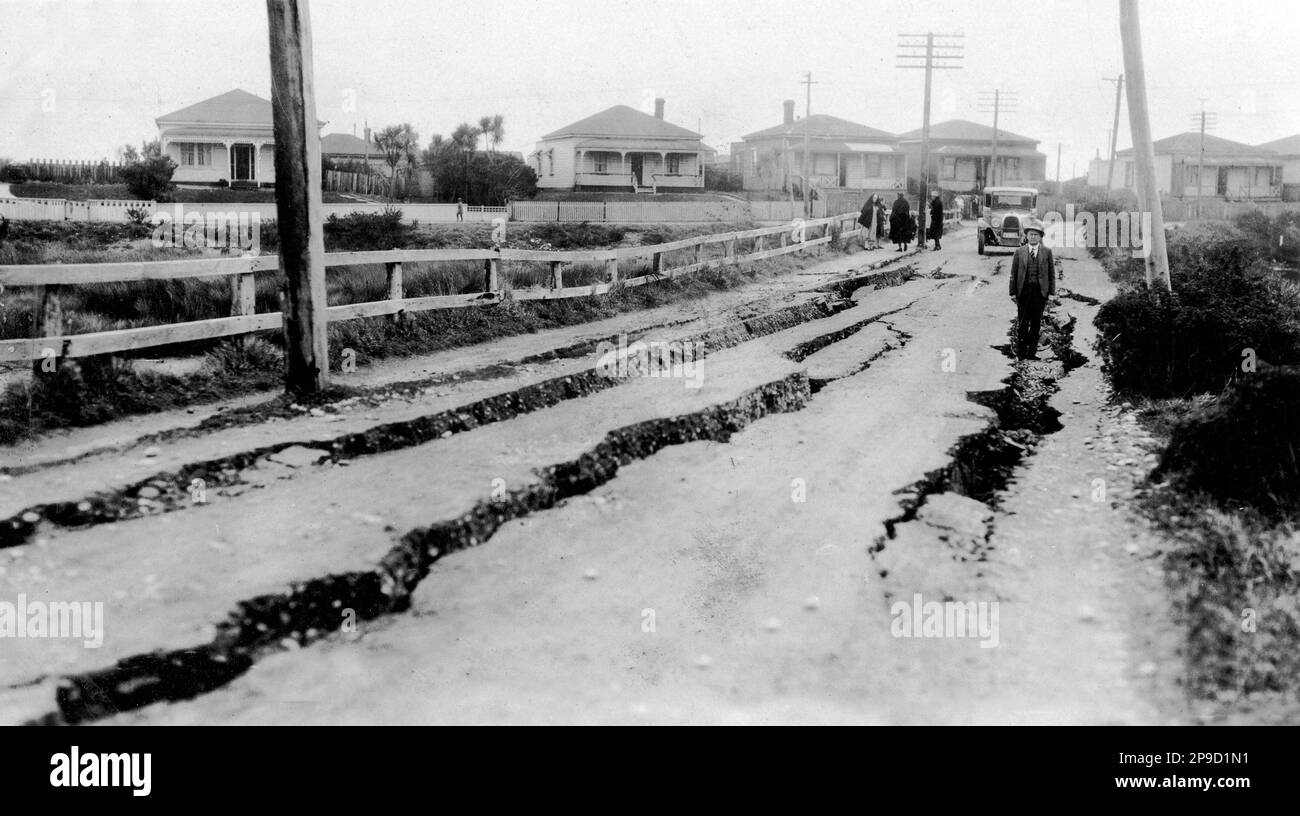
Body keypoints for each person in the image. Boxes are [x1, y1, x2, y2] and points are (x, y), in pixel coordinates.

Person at [1009, 218, 1055, 360]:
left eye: (1036, 235)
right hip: (1023, 292)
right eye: (1031, 234)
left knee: (1036, 324)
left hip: (1040, 293)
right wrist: (1012, 292)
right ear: (1026, 236)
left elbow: (1051, 274)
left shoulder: (1047, 252)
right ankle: (1022, 353)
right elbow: (1013, 273)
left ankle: (1032, 353)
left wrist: (1051, 293)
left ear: (1041, 237)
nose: (1033, 237)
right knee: (1023, 323)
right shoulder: (1019, 252)